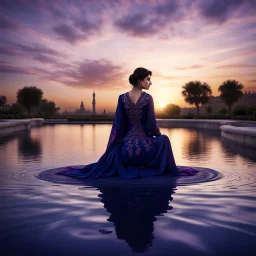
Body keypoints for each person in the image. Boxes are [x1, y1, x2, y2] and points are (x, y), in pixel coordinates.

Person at [57, 67, 197, 179]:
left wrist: (116, 144)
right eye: (148, 79)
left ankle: (131, 164)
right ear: (140, 81)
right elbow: (151, 126)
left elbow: (118, 127)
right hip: (147, 152)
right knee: (164, 140)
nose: (150, 82)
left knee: (119, 146)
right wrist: (158, 136)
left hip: (126, 153)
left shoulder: (122, 98)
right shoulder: (148, 98)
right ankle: (149, 166)